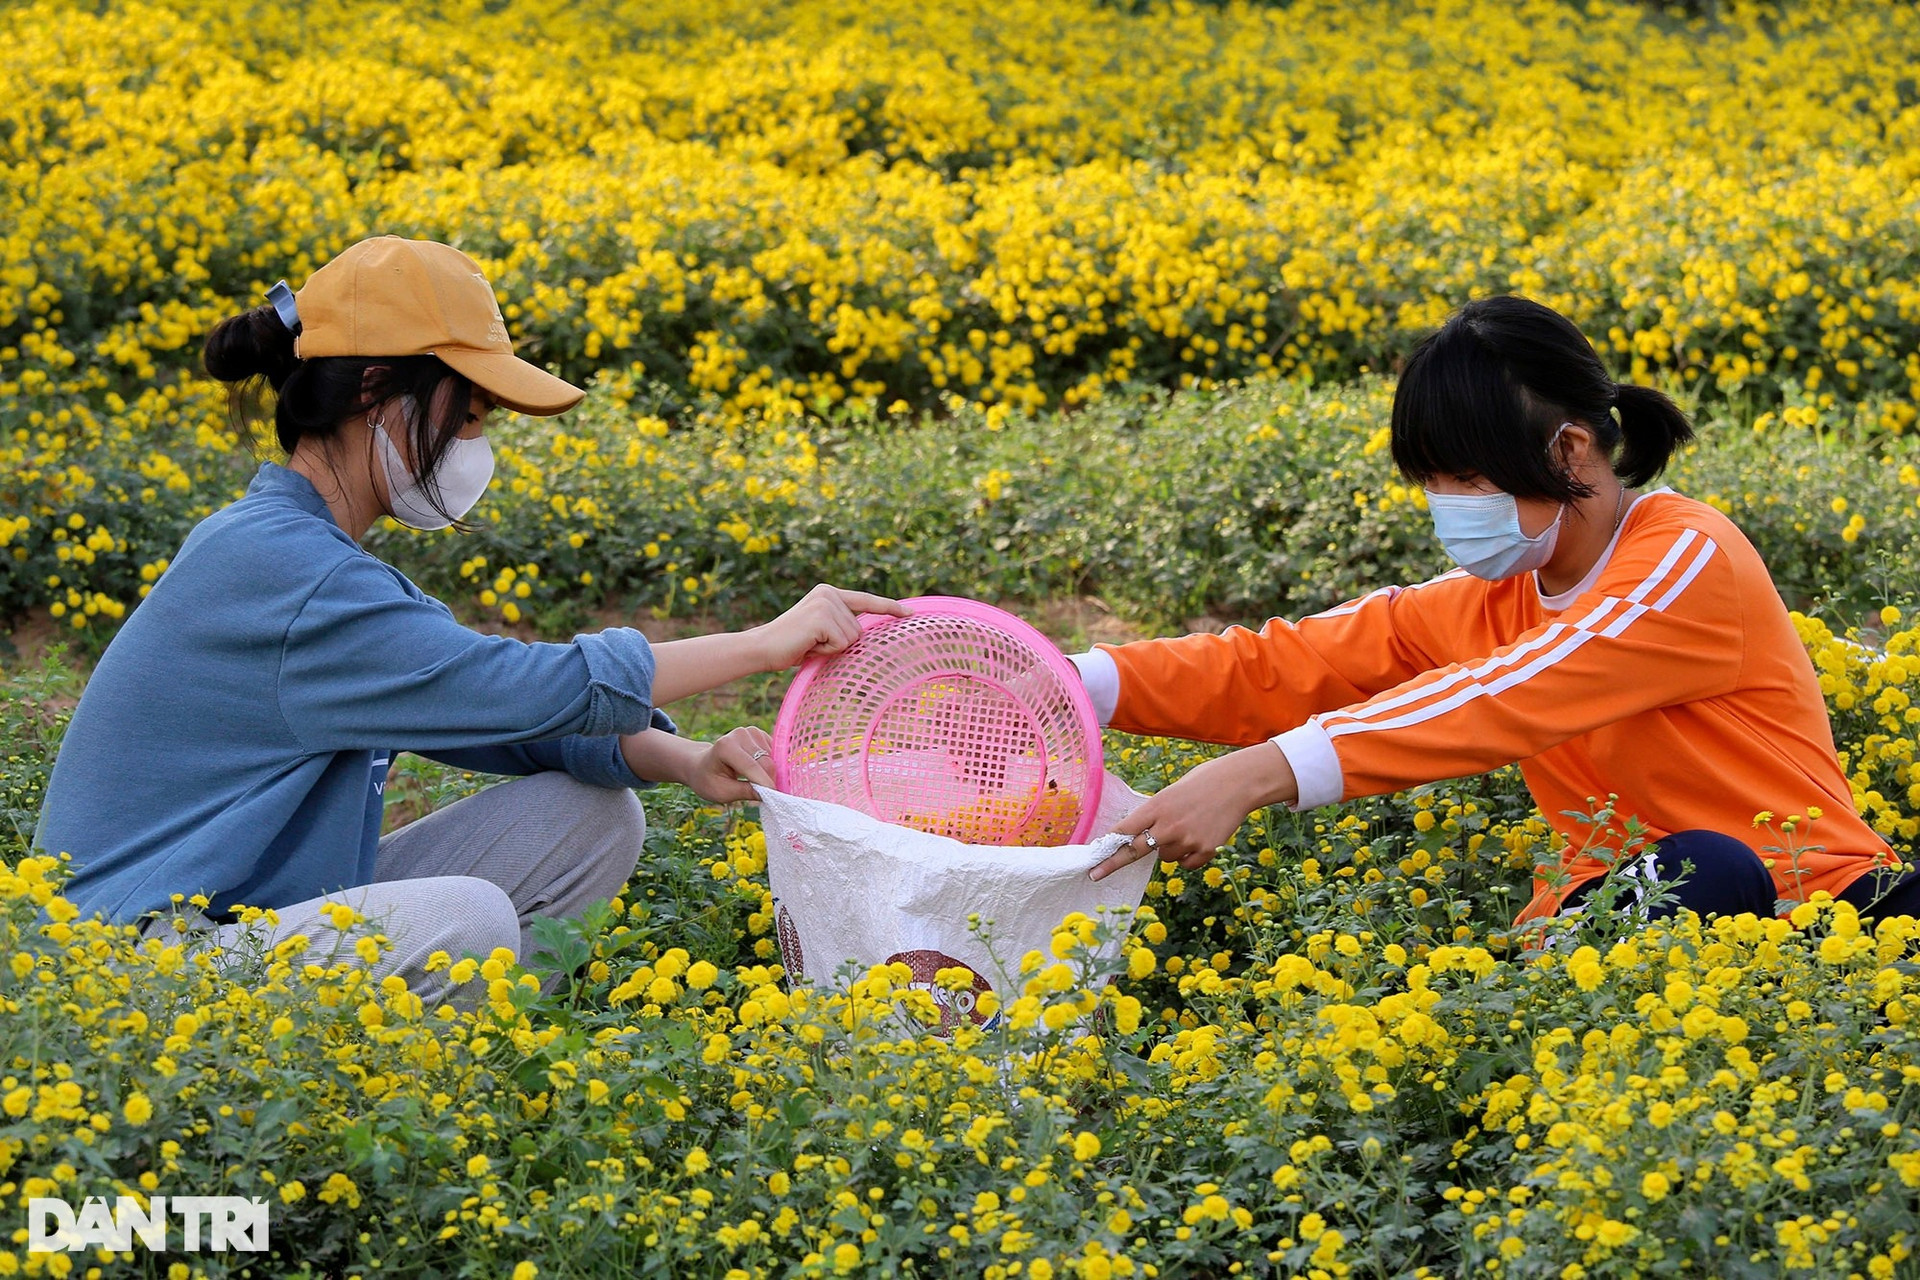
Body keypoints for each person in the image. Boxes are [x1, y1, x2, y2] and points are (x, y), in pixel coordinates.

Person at [35, 235, 904, 1004]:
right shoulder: (280, 572)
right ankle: (395, 1096)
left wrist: (682, 758)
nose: (474, 448)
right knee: (464, 919)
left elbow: (505, 717)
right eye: (471, 417)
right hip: (134, 967)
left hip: (246, 916)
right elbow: (520, 686)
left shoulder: (312, 561)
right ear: (378, 390)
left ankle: (449, 1076)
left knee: (591, 818)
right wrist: (762, 644)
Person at [1079, 295, 1908, 929]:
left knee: (1750, 875)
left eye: (1466, 479)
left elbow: (1515, 688)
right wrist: (1064, 682)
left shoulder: (1688, 560)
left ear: (1570, 450)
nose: (1445, 506)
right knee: (1704, 872)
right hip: (1617, 910)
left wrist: (1254, 774)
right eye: (1431, 481)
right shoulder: (1491, 596)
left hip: (1826, 900)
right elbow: (1289, 663)